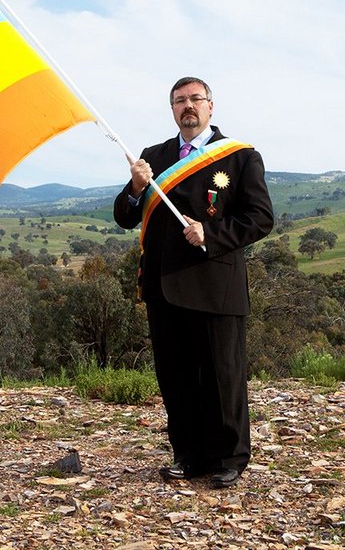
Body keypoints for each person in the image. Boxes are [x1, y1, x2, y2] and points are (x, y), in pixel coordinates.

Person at [113, 76, 273, 488]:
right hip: (163, 287)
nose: (188, 106)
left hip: (216, 286)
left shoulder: (240, 157)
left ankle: (230, 457)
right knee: (176, 377)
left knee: (223, 376)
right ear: (172, 109)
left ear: (210, 106)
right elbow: (125, 216)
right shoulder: (153, 157)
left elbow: (260, 218)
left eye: (195, 99)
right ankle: (188, 455)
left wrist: (210, 233)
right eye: (179, 100)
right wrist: (135, 188)